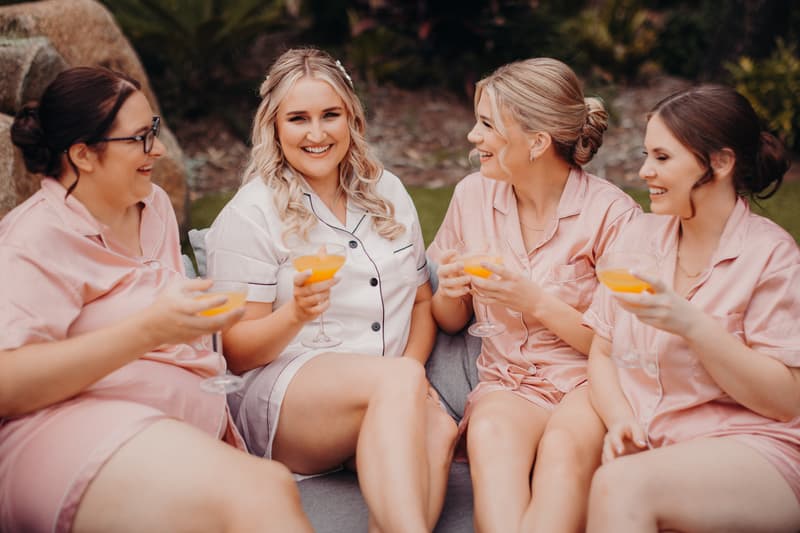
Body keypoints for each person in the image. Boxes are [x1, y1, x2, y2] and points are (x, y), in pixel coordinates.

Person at [0, 66, 312, 533]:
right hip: (67, 434)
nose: (159, 150)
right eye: (141, 138)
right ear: (84, 154)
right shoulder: (34, 239)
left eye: (155, 131)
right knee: (262, 490)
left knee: (268, 484)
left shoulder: (154, 206)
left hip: (167, 431)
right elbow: (8, 383)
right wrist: (150, 329)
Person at [204, 48, 457, 533]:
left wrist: (408, 372)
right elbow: (234, 353)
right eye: (298, 118)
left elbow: (423, 300)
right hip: (287, 406)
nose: (316, 134)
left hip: (387, 392)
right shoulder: (250, 213)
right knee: (398, 384)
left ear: (352, 118)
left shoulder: (389, 192)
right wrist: (295, 314)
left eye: (330, 115)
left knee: (439, 430)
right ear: (273, 125)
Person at [427, 57, 640, 532]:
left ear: (538, 142)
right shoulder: (471, 196)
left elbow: (624, 348)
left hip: (587, 383)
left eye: (486, 125)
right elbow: (449, 320)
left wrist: (535, 300)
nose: (472, 137)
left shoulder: (613, 216)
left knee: (564, 452)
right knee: (489, 435)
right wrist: (452, 291)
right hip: (507, 382)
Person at [584, 84, 800, 532]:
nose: (644, 171)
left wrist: (693, 326)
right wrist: (621, 418)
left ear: (720, 163)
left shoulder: (771, 257)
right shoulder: (637, 239)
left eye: (662, 158)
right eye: (646, 156)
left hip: (756, 448)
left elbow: (785, 400)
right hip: (658, 443)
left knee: (619, 485)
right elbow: (601, 351)